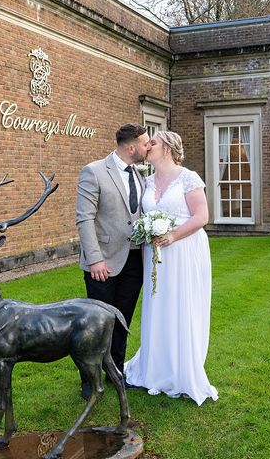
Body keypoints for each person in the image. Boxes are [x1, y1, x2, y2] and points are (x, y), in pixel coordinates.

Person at [124, 130, 218, 406]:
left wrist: (173, 235)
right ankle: (156, 367)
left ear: (166, 148)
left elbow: (202, 216)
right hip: (155, 253)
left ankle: (181, 368)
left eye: (153, 142)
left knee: (182, 304)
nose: (147, 146)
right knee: (158, 304)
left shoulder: (189, 177)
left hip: (185, 249)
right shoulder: (147, 180)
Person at [76, 123, 151, 381]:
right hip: (103, 263)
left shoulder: (139, 175)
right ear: (131, 147)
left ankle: (115, 373)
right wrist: (94, 258)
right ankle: (90, 379)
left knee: (122, 322)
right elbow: (84, 219)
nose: (148, 147)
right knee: (97, 326)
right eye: (145, 143)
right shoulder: (94, 172)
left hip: (134, 261)